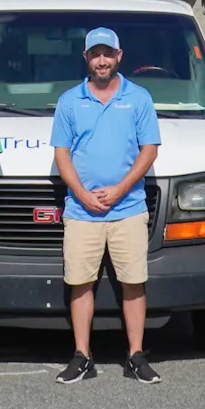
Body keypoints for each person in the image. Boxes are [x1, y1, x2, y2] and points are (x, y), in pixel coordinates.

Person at [52, 27, 162, 384]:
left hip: (127, 207)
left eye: (107, 53)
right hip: (81, 210)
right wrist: (82, 194)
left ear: (119, 56)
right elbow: (62, 154)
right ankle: (82, 356)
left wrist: (120, 188)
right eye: (95, 54)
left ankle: (135, 356)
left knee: (133, 283)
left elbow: (149, 150)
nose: (102, 60)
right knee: (81, 283)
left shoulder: (140, 98)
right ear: (86, 58)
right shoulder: (70, 101)